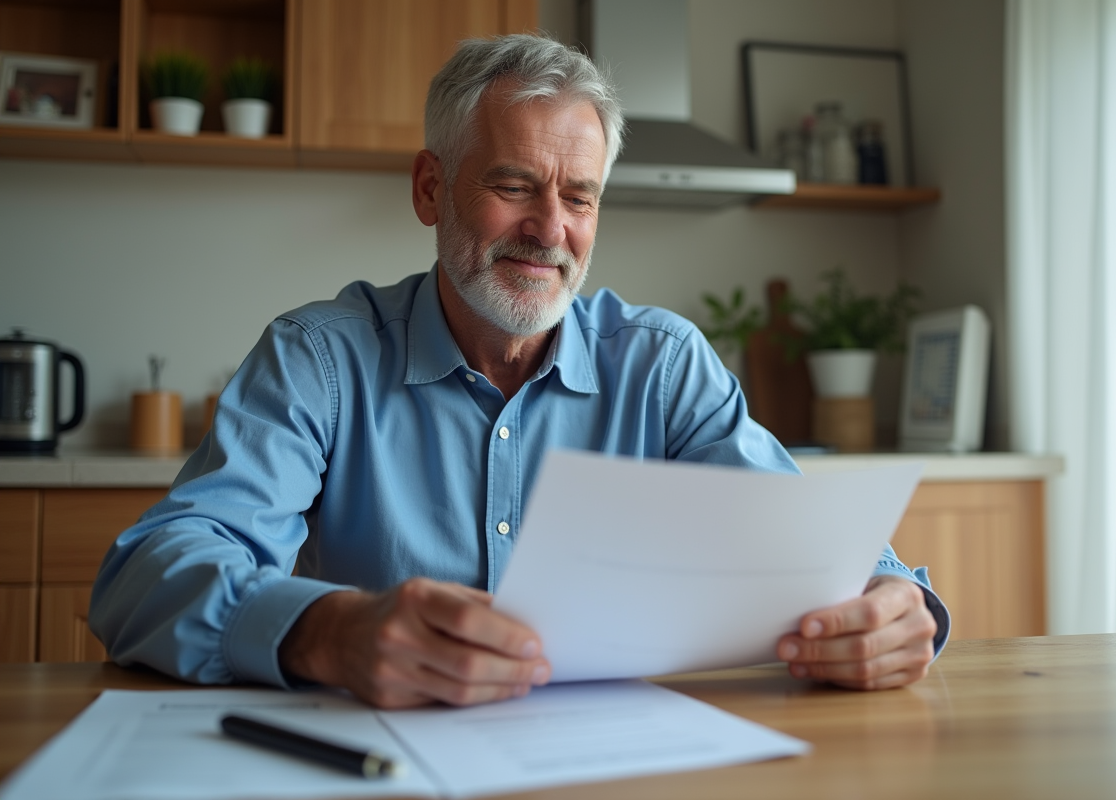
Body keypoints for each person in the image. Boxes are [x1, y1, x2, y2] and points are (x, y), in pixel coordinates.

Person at [90, 34, 948, 709]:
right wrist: (328, 631)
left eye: (580, 197)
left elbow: (807, 548)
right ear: (432, 188)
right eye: (513, 185)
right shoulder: (321, 358)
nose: (550, 228)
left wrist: (893, 604)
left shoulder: (662, 364)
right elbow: (143, 578)